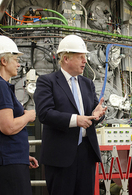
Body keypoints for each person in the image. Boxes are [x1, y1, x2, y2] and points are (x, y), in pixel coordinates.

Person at [33, 34, 107, 195]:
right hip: (60, 156)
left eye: (85, 57)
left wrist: (97, 114)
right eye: (81, 57)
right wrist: (76, 120)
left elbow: (93, 113)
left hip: (86, 153)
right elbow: (44, 113)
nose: (85, 61)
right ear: (66, 58)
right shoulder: (47, 82)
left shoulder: (87, 84)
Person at [0, 35, 39, 195]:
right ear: (4, 61)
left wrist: (21, 156)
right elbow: (8, 127)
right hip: (5, 160)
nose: (19, 64)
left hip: (9, 158)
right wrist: (27, 116)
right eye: (15, 59)